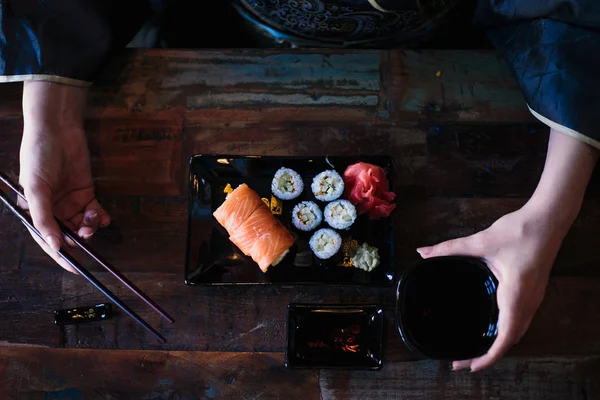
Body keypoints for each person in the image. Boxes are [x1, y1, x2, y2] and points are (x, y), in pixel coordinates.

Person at [1, 0, 599, 372]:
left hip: (444, 45)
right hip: (224, 31)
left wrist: (547, 212)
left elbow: (575, 14)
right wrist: (50, 117)